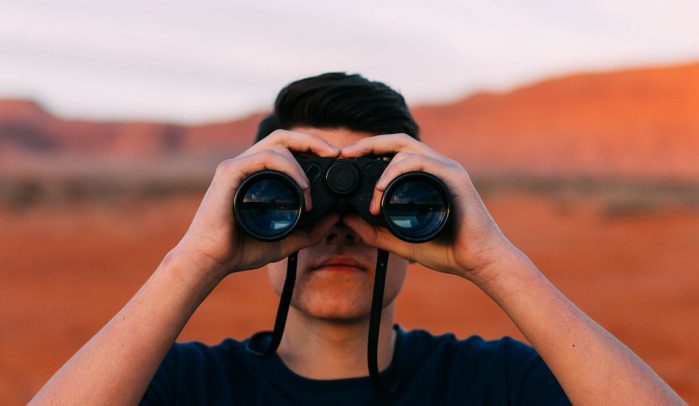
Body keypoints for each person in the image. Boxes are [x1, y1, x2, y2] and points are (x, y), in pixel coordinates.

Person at [30, 73, 685, 405]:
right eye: (297, 199)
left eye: (380, 200)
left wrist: (494, 258)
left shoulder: (494, 383)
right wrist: (193, 258)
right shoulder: (185, 385)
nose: (339, 223)